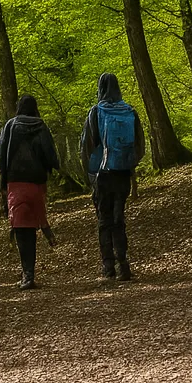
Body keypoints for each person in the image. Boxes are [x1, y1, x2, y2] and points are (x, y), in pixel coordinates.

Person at [81, 73, 143, 281]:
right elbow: (139, 146)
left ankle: (108, 267)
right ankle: (124, 264)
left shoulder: (96, 112)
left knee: (104, 219)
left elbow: (87, 146)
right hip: (123, 173)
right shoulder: (130, 111)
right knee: (119, 218)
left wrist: (90, 175)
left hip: (103, 174)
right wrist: (129, 164)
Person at [0, 94, 60, 290]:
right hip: (37, 182)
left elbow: (1, 151)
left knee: (21, 227)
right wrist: (53, 169)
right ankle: (29, 272)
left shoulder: (10, 126)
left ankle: (27, 273)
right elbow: (50, 152)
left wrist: (3, 179)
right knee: (32, 225)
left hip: (16, 182)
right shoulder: (41, 125)